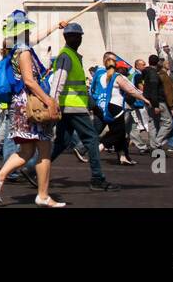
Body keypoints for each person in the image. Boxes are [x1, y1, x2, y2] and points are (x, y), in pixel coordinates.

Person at [17, 23, 120, 191]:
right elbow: (59, 81)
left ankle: (31, 170)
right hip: (73, 107)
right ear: (72, 38)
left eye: (77, 36)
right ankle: (97, 178)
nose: (77, 39)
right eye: (75, 36)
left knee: (61, 143)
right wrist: (52, 103)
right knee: (92, 140)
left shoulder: (69, 55)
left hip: (70, 106)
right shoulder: (67, 56)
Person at [0, 10, 64, 207]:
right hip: (30, 103)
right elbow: (30, 81)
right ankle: (43, 195)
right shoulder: (24, 52)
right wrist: (48, 99)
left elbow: (39, 37)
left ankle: (0, 175)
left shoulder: (18, 48)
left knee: (27, 151)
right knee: (44, 149)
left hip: (21, 103)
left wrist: (55, 26)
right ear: (23, 30)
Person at [94, 56, 150, 164]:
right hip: (116, 106)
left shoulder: (101, 76)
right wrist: (144, 99)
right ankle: (100, 146)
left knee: (120, 132)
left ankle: (123, 156)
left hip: (104, 106)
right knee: (118, 133)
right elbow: (131, 91)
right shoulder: (118, 77)